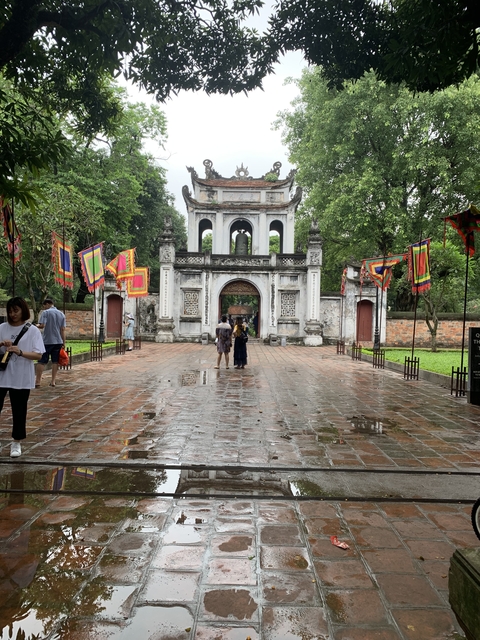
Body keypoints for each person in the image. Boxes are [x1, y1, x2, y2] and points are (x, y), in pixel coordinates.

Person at [0, 297, 44, 458]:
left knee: (19, 410)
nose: (13, 314)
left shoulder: (32, 330)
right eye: (10, 311)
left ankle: (16, 442)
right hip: (2, 374)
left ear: (23, 310)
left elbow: (38, 355)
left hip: (21, 376)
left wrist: (20, 352)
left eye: (16, 311)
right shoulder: (2, 328)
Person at [35, 298, 66, 388]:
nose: (44, 308)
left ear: (47, 304)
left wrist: (35, 326)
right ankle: (53, 381)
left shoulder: (45, 313)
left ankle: (38, 381)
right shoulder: (61, 314)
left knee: (41, 361)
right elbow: (63, 329)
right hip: (58, 341)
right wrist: (64, 342)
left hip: (47, 341)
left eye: (44, 306)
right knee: (55, 361)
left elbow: (42, 325)